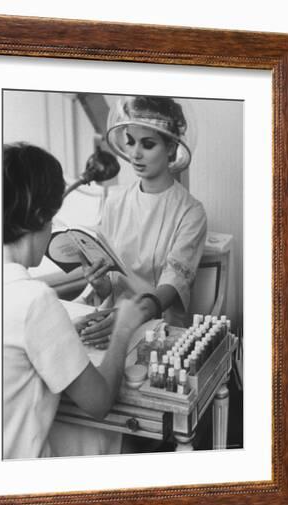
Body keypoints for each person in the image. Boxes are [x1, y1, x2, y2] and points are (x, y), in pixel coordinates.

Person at [2, 142, 147, 459]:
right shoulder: (34, 300)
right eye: (52, 216)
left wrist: (66, 325)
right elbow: (99, 402)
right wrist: (123, 329)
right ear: (42, 216)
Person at [79, 95, 207, 348]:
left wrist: (129, 318)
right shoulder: (115, 202)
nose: (135, 153)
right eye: (130, 142)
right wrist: (100, 283)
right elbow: (111, 283)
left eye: (148, 144)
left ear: (171, 147)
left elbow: (173, 284)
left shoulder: (191, 212)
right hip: (111, 322)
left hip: (159, 329)